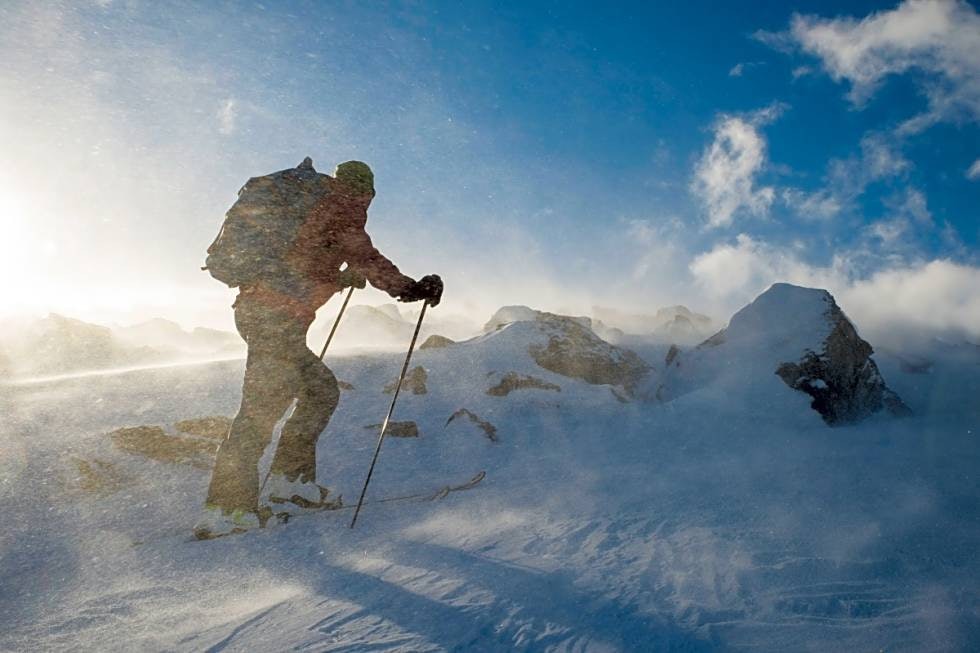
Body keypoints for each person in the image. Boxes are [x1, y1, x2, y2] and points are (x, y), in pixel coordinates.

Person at [195, 158, 442, 539]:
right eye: (369, 194)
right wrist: (411, 288)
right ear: (366, 191)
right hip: (274, 319)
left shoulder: (314, 204)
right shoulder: (343, 206)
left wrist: (339, 278)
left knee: (319, 392)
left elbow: (298, 263)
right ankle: (227, 507)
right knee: (261, 409)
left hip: (264, 314)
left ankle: (289, 485)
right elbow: (368, 258)